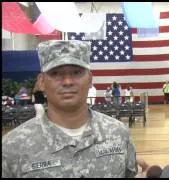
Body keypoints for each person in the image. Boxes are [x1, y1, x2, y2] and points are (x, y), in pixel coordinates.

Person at [2, 40, 138, 178]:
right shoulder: (13, 147)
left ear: (90, 80)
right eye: (55, 73)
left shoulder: (119, 134)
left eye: (76, 72)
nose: (67, 82)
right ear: (42, 82)